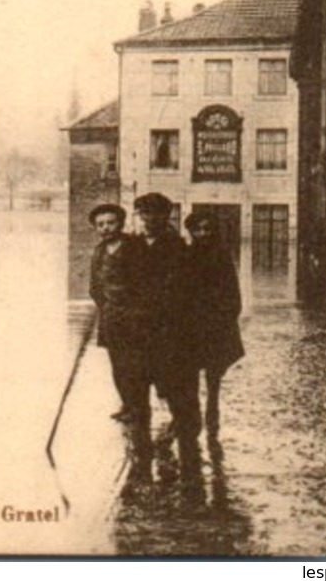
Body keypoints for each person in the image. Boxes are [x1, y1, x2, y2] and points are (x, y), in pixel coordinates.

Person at [130, 192, 203, 464]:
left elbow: (185, 289)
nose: (150, 219)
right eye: (144, 213)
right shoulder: (132, 245)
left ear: (166, 216)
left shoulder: (178, 248)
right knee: (139, 384)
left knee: (176, 384)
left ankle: (187, 442)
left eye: (156, 214)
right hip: (139, 329)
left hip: (170, 329)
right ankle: (141, 450)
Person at [182, 212, 245, 438]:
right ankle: (194, 409)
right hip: (191, 321)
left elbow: (232, 290)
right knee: (189, 368)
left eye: (207, 229)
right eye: (197, 229)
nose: (203, 234)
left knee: (214, 368)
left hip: (217, 321)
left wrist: (228, 316)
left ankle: (213, 404)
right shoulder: (185, 255)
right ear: (190, 232)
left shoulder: (222, 256)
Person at [87, 202, 137, 421]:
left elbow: (144, 283)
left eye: (110, 223)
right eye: (100, 224)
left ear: (121, 223)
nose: (105, 228)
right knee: (117, 364)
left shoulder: (134, 247)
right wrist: (106, 307)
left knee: (135, 364)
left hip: (135, 317)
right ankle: (127, 404)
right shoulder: (99, 251)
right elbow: (94, 286)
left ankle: (138, 407)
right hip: (110, 317)